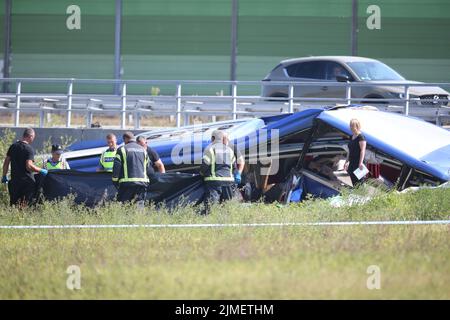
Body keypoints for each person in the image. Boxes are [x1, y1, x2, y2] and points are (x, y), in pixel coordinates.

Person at [199, 130, 244, 215]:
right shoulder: (230, 150)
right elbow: (234, 167)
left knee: (210, 207)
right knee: (228, 207)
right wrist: (236, 175)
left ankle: (207, 220)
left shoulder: (210, 148)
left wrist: (201, 174)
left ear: (213, 138)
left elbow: (205, 164)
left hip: (214, 181)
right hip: (229, 181)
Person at [1, 128, 48, 206]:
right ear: (31, 136)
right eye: (33, 137)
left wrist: (4, 176)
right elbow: (29, 166)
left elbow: (6, 163)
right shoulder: (29, 149)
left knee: (14, 205)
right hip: (26, 183)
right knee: (25, 205)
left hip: (14, 182)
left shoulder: (13, 146)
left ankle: (14, 217)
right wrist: (41, 170)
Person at [112, 131, 150, 203]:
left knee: (125, 207)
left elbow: (116, 167)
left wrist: (115, 181)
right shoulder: (143, 150)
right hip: (142, 183)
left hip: (127, 184)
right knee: (139, 206)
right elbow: (147, 166)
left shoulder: (122, 149)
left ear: (125, 139)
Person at [344, 118, 367, 186]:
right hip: (352, 162)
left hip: (358, 161)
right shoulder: (351, 136)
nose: (351, 128)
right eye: (350, 126)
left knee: (359, 181)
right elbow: (349, 150)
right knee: (350, 180)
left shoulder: (361, 137)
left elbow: (363, 150)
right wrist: (346, 161)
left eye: (352, 126)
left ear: (357, 126)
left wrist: (360, 163)